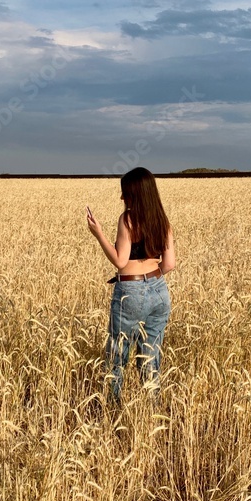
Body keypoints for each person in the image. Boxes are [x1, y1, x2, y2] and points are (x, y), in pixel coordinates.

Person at [86, 168, 175, 404]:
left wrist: (98, 234)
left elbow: (119, 260)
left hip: (131, 293)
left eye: (124, 193)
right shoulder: (162, 220)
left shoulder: (127, 219)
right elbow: (170, 264)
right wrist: (151, 279)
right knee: (151, 354)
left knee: (117, 354)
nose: (121, 198)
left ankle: (112, 408)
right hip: (160, 291)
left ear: (135, 193)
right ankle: (153, 405)